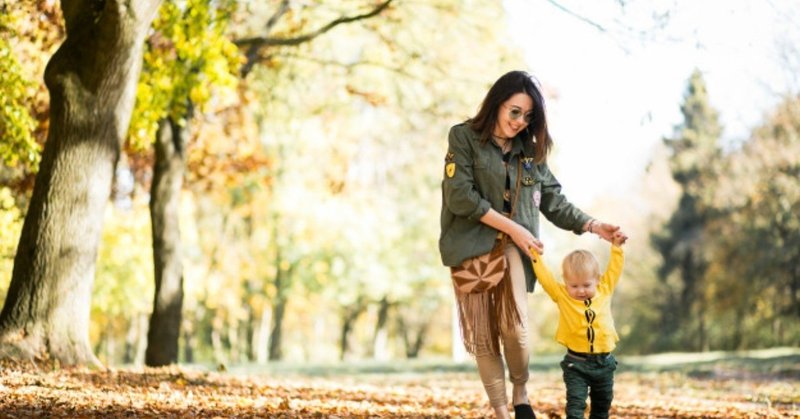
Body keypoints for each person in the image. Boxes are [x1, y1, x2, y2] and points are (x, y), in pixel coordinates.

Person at [439, 70, 628, 419]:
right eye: (514, 112)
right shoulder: (463, 137)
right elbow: (460, 197)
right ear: (497, 104)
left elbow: (554, 200)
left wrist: (594, 225)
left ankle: (520, 389)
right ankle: (501, 410)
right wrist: (513, 227)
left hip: (515, 247)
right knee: (483, 337)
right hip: (470, 244)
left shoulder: (530, 152)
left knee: (516, 328)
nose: (520, 121)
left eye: (528, 116)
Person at [529, 233, 626, 419]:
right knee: (575, 404)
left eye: (586, 285)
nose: (580, 290)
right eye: (574, 286)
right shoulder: (562, 295)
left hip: (604, 363)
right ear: (566, 283)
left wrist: (617, 248)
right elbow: (546, 278)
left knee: (602, 404)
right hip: (576, 365)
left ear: (597, 279)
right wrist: (535, 255)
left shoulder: (604, 289)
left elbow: (615, 268)